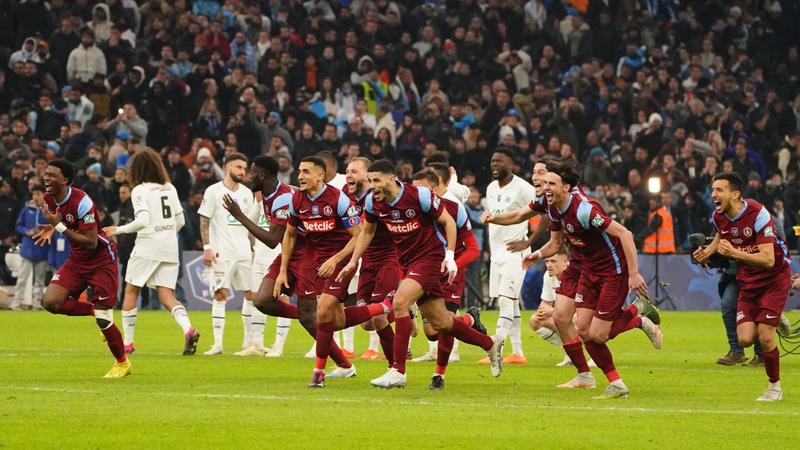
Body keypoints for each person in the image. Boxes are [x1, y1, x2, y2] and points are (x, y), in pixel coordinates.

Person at [337, 159, 502, 389]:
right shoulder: (373, 203)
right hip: (407, 263)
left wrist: (450, 256)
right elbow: (367, 233)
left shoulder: (419, 196)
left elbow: (448, 222)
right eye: (370, 181)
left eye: (377, 180)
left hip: (430, 259)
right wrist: (353, 261)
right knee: (441, 323)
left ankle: (398, 370)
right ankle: (490, 344)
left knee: (399, 302)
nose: (372, 186)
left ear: (392, 179)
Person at [525, 159, 661, 399]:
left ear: (566, 187)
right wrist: (535, 255)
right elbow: (555, 243)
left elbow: (624, 233)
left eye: (551, 184)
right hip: (587, 271)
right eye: (544, 183)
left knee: (598, 335)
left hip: (612, 271)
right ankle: (614, 384)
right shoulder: (553, 208)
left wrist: (633, 273)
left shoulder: (584, 210)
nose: (546, 188)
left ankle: (636, 312)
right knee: (584, 330)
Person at [222, 155, 353, 371]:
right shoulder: (272, 194)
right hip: (289, 254)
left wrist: (240, 216)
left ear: (261, 176)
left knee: (311, 320)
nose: (248, 177)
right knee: (263, 300)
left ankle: (344, 365)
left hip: (307, 255)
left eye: (252, 173)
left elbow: (272, 240)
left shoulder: (282, 198)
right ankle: (307, 315)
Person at [276, 156, 389, 387]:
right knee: (334, 320)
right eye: (299, 171)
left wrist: (336, 259)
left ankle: (318, 371)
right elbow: (289, 234)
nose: (300, 176)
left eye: (306, 172)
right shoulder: (297, 199)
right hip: (317, 262)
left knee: (323, 309)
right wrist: (282, 270)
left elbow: (359, 234)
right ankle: (384, 307)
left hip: (341, 259)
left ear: (320, 175)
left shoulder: (338, 199)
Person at [693, 172, 792, 402]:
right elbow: (721, 234)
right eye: (713, 189)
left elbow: (768, 259)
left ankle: (774, 388)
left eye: (719, 190)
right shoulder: (719, 216)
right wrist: (707, 252)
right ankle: (775, 316)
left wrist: (735, 253)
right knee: (745, 339)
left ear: (735, 194)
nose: (713, 194)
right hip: (748, 278)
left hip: (774, 277)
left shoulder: (758, 214)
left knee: (765, 337)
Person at [32, 159, 128, 378]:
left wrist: (58, 226)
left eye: (52, 175)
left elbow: (91, 242)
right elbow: (63, 222)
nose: (46, 178)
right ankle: (93, 310)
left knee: (104, 318)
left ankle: (122, 363)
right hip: (78, 259)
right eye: (46, 174)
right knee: (51, 302)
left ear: (65, 180)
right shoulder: (48, 198)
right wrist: (52, 227)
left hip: (101, 260)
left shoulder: (83, 202)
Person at [103, 149, 200, 356]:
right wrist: (166, 233)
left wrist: (117, 230)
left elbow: (143, 221)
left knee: (131, 290)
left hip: (148, 245)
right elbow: (181, 221)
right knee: (167, 295)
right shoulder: (170, 188)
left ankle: (127, 344)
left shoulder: (140, 190)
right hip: (170, 246)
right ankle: (188, 329)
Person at [410, 169, 483, 390]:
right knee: (432, 332)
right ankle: (469, 319)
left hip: (451, 274)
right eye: (414, 189)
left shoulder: (453, 208)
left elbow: (474, 249)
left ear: (434, 188)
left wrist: (453, 264)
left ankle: (438, 375)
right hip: (426, 272)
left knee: (444, 326)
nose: (416, 194)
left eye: (421, 189)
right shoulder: (411, 211)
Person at [198, 153, 261, 356]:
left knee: (251, 295)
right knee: (220, 294)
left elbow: (251, 224)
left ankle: (248, 342)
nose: (243, 172)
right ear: (228, 168)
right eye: (239, 167)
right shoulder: (213, 191)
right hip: (221, 252)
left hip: (243, 251)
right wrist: (207, 248)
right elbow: (204, 220)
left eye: (244, 168)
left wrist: (253, 248)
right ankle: (218, 344)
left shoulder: (247, 193)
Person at [479, 148, 536, 364]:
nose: (494, 164)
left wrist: (528, 241)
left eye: (499, 161)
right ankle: (518, 353)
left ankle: (496, 349)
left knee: (505, 300)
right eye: (493, 161)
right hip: (497, 253)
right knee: (511, 303)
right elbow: (494, 219)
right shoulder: (491, 188)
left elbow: (545, 213)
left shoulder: (524, 188)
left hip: (516, 252)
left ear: (511, 165)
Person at [343, 157, 399, 363]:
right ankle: (402, 309)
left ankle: (396, 365)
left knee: (378, 316)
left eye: (354, 172)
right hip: (367, 262)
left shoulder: (380, 197)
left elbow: (362, 232)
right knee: (366, 323)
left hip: (389, 260)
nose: (348, 175)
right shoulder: (350, 198)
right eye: (347, 171)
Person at [12, 184, 49, 310]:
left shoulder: (49, 211)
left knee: (40, 280)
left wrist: (44, 232)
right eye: (33, 194)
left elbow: (53, 228)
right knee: (22, 279)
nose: (35, 197)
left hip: (42, 249)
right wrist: (26, 231)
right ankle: (17, 303)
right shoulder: (26, 209)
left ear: (44, 195)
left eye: (38, 194)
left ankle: (37, 303)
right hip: (27, 250)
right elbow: (18, 226)